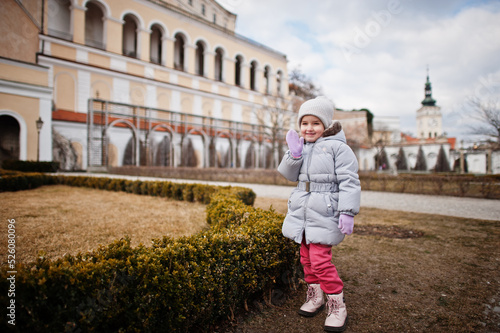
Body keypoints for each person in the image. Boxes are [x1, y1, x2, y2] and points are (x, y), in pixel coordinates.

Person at [277, 96, 361, 332]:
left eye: (315, 123)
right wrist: (294, 155)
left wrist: (347, 211)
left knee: (321, 261)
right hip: (301, 212)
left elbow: (349, 181)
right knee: (306, 259)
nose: (309, 128)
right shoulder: (301, 146)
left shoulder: (338, 148)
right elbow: (288, 175)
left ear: (325, 125)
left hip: (325, 212)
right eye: (304, 123)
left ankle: (337, 305)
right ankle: (315, 297)